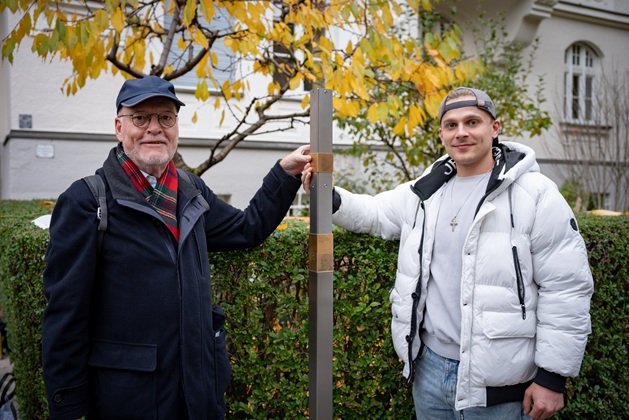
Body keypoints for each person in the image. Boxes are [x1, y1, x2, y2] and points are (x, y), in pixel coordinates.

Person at [302, 87, 593, 420]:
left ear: (495, 128)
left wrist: (551, 378)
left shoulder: (535, 194)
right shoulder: (428, 189)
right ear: (441, 133)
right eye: (451, 125)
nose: (462, 132)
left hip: (502, 387)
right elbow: (376, 214)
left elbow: (567, 287)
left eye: (472, 122)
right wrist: (327, 195)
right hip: (429, 373)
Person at [42, 75, 311, 419]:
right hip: (128, 401)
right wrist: (70, 410)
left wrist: (283, 173)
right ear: (118, 127)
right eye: (141, 118)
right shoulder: (86, 201)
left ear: (175, 127)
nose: (155, 128)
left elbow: (246, 229)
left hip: (198, 395)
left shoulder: (190, 189)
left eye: (165, 118)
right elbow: (65, 317)